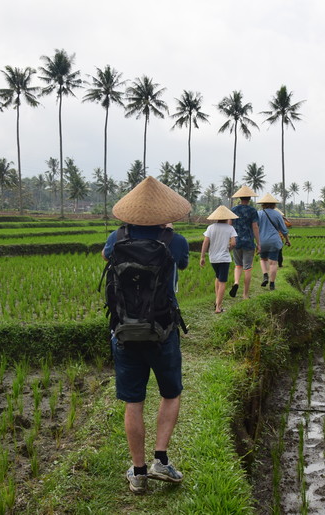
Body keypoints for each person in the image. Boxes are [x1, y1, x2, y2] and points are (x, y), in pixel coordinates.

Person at [101, 176, 190, 495]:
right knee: (170, 394)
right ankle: (161, 459)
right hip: (163, 331)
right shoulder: (174, 241)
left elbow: (105, 257)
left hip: (124, 330)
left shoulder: (117, 236)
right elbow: (182, 264)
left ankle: (138, 473)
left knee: (133, 402)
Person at [199, 205, 238, 313]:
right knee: (222, 282)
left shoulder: (211, 228)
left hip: (213, 258)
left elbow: (205, 242)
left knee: (218, 277)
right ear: (227, 218)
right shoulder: (230, 228)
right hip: (224, 258)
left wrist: (202, 257)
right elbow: (234, 243)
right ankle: (218, 307)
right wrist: (228, 249)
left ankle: (217, 301)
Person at [229, 185, 261, 299]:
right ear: (249, 198)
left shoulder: (233, 210)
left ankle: (236, 282)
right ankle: (245, 295)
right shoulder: (253, 211)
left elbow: (229, 225)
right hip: (248, 242)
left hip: (236, 241)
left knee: (238, 266)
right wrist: (258, 243)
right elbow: (255, 227)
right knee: (247, 268)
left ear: (240, 198)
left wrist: (230, 240)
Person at [256, 193, 290, 291]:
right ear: (274, 204)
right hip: (274, 241)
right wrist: (287, 241)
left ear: (263, 204)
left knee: (263, 259)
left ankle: (265, 275)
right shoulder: (277, 214)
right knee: (273, 263)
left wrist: (257, 242)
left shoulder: (259, 214)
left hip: (262, 241)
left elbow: (255, 227)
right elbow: (284, 230)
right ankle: (272, 284)